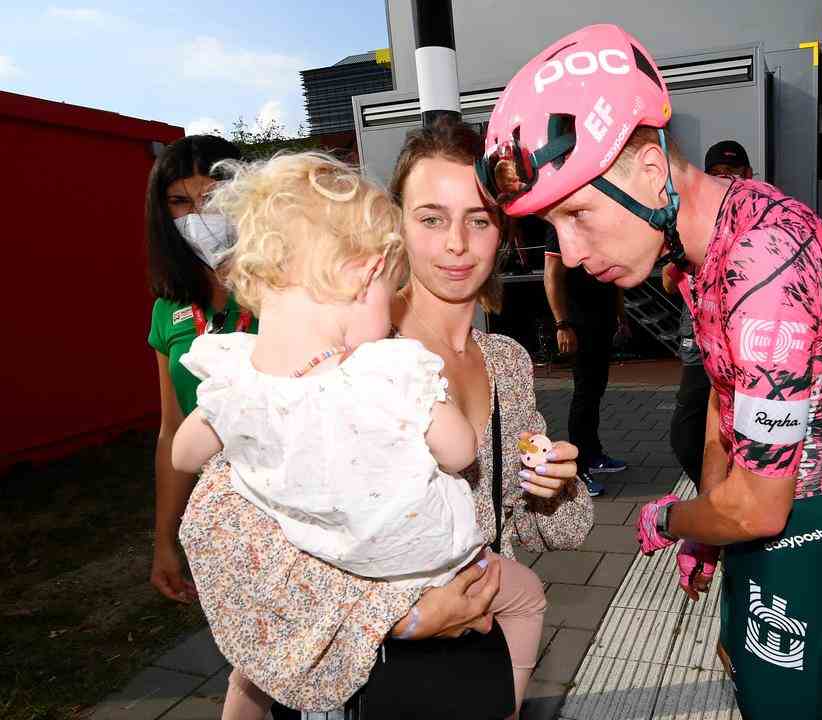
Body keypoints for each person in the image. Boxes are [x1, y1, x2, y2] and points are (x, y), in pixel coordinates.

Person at [475, 24, 822, 720]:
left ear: (647, 169)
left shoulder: (761, 265)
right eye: (553, 227)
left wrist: (671, 518)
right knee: (737, 662)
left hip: (811, 535)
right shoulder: (708, 239)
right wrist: (707, 520)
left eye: (577, 213)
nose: (570, 253)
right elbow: (722, 401)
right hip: (788, 526)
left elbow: (758, 508)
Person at [172, 118, 594, 719]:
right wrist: (399, 618)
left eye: (478, 219)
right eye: (431, 217)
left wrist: (552, 485)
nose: (456, 243)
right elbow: (223, 539)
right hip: (356, 684)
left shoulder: (506, 362)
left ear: (502, 232)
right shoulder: (349, 355)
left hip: (464, 673)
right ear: (395, 226)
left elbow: (533, 528)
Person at [146, 135, 258, 606]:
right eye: (179, 201)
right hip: (222, 524)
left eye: (212, 197)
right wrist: (164, 541)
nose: (197, 215)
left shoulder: (293, 283)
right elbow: (172, 431)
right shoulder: (166, 308)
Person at [664, 141, 755, 486]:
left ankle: (731, 506)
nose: (726, 179)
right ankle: (715, 502)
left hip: (749, 346)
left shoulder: (762, 214)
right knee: (687, 433)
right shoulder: (693, 218)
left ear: (748, 174)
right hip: (702, 342)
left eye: (733, 172)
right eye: (717, 174)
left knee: (745, 434)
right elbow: (669, 283)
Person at [544, 223, 628, 497]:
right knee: (584, 393)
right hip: (578, 323)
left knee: (595, 389)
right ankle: (578, 470)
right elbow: (552, 276)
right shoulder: (560, 228)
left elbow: (614, 275)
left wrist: (620, 315)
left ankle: (593, 454)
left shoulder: (601, 222)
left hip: (602, 319)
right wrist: (561, 324)